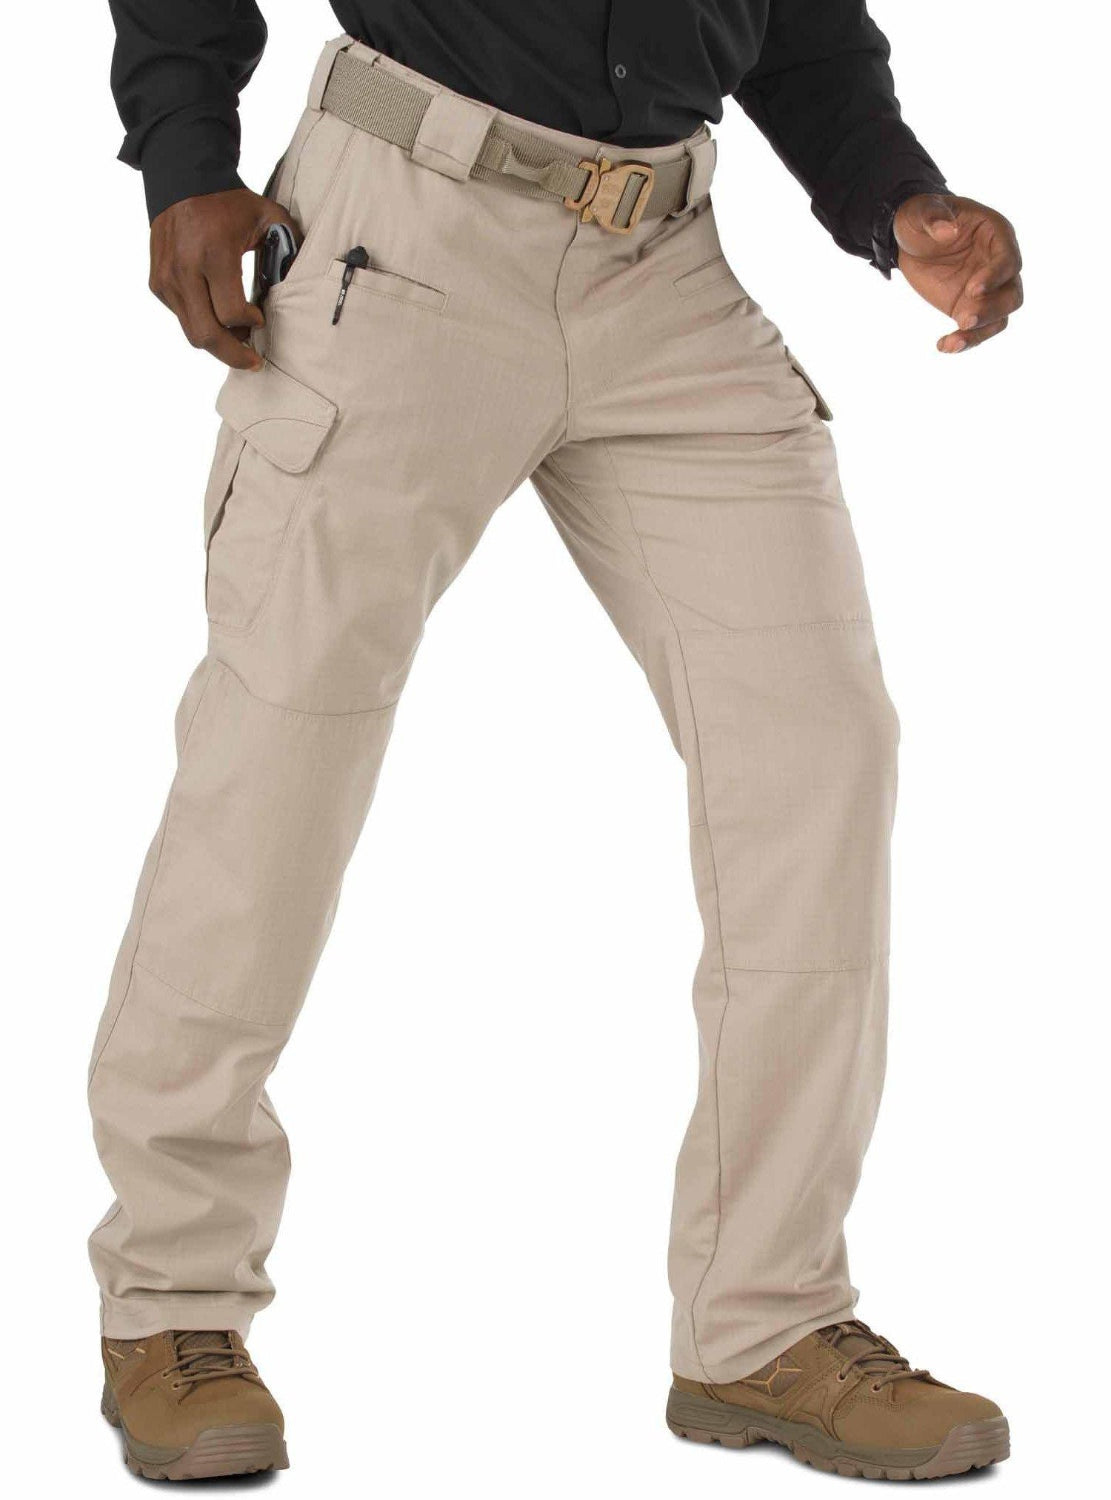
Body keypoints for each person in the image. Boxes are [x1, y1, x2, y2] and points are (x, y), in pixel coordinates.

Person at [92, 1, 1022, 1483]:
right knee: (279, 768)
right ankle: (172, 1303)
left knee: (820, 752)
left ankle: (765, 1323)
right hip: (397, 240)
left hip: (665, 268)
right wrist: (184, 158)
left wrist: (894, 194)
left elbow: (798, 23)